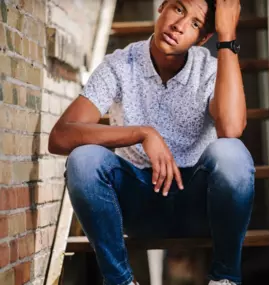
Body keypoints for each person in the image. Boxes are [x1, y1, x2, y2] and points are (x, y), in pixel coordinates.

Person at [48, 0, 255, 284]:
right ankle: (120, 281)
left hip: (197, 204)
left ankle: (225, 278)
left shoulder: (210, 70)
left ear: (203, 38)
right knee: (83, 160)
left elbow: (231, 129)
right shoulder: (121, 64)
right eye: (178, 9)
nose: (179, 26)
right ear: (163, 7)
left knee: (232, 153)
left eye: (195, 24)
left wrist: (228, 36)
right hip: (139, 203)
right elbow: (61, 135)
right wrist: (142, 133)